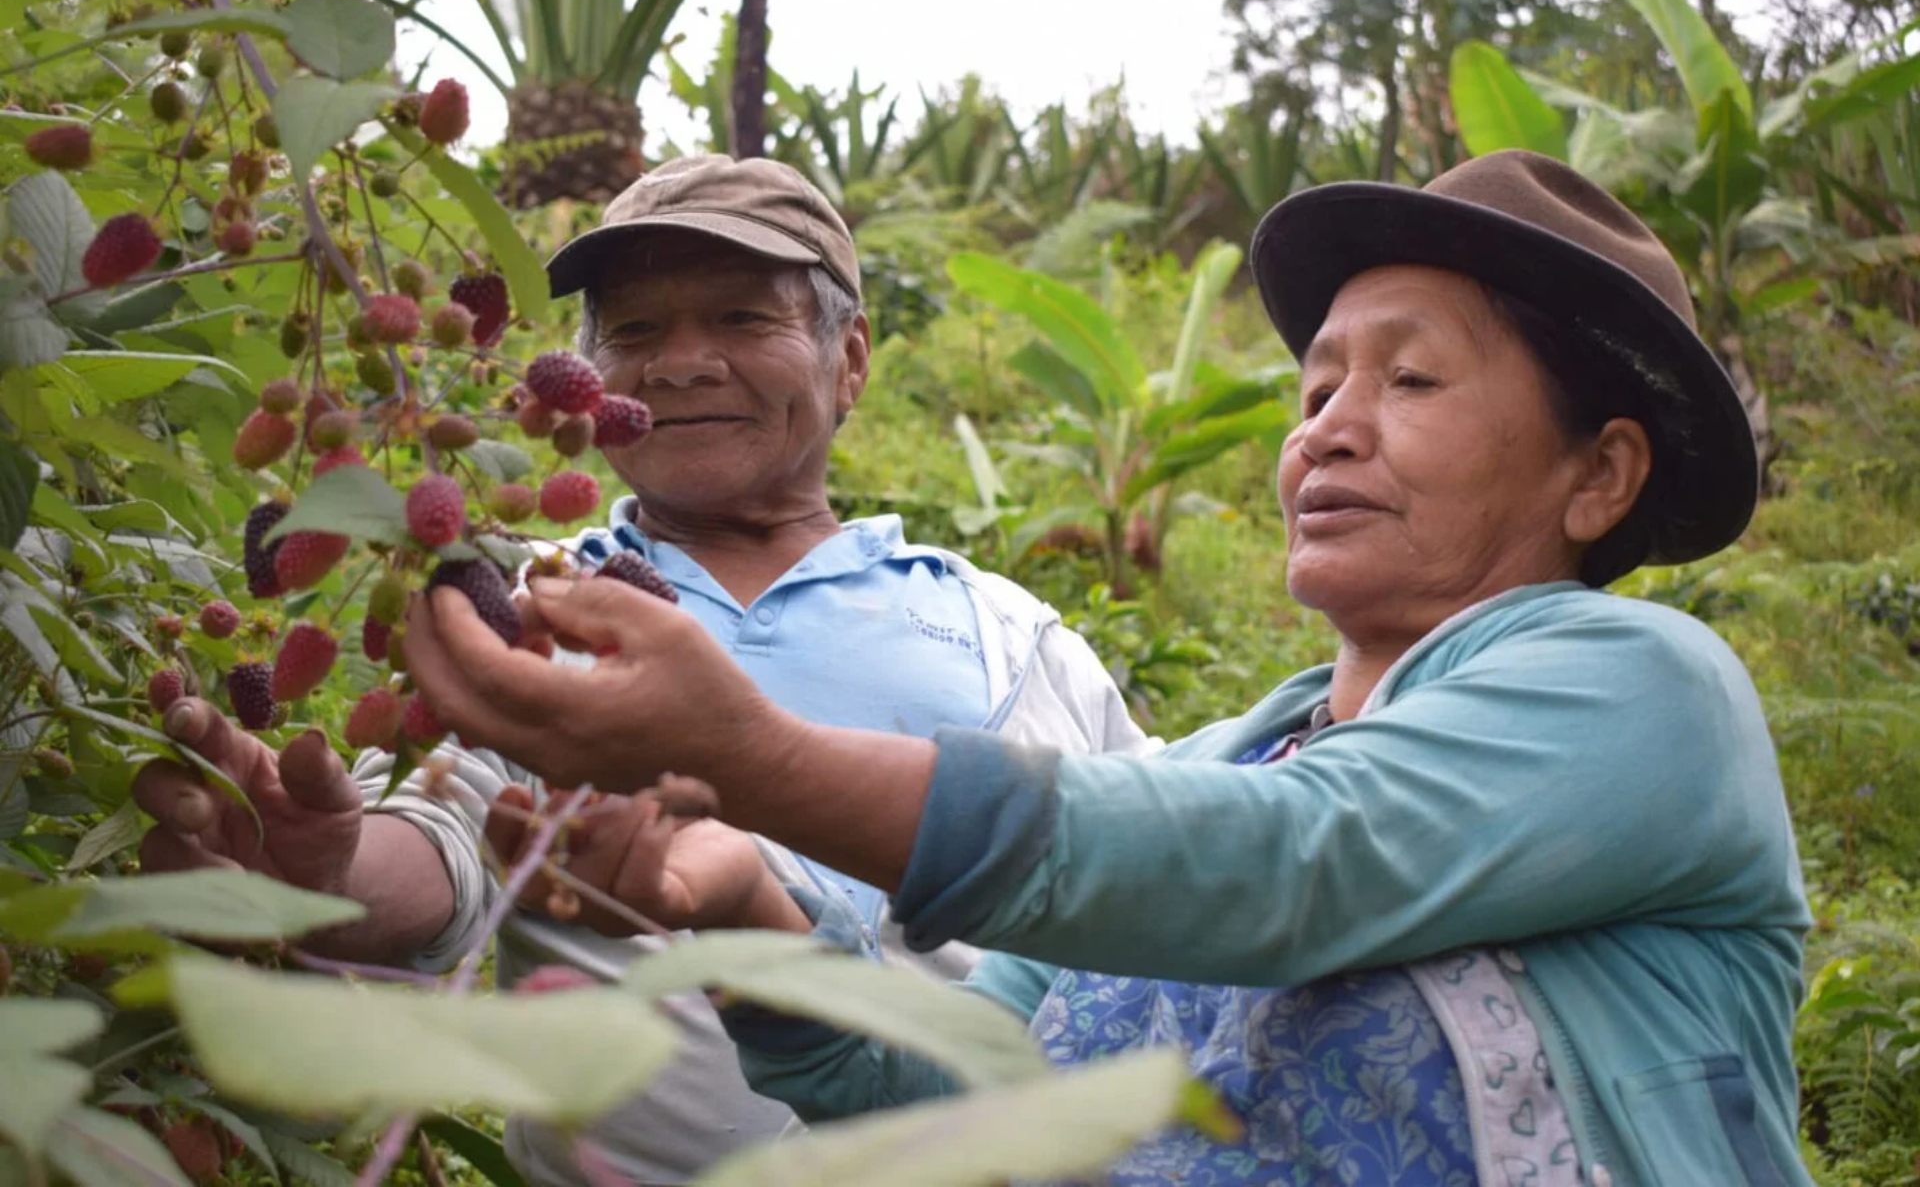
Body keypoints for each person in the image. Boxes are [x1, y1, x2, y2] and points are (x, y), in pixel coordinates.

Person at [403, 150, 1815, 1187]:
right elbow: (959, 1096)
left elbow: (1287, 865)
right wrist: (751, 915)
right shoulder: (1218, 762)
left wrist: (762, 759)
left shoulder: (1648, 691)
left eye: (1412, 381)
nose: (1327, 429)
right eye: (1317, 387)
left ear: (1600, 473)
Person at [131, 155, 1150, 1186]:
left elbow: (1166, 884)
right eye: (634, 332)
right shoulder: (534, 607)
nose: (680, 364)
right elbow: (448, 828)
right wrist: (319, 872)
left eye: (745, 319)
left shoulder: (1009, 629)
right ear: (583, 386)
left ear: (849, 360)